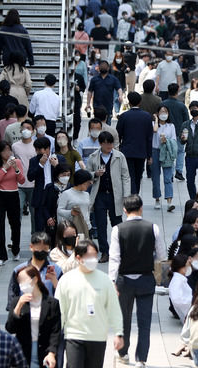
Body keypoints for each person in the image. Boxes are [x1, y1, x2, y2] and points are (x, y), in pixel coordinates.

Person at [56, 240, 124, 368]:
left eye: (95, 255)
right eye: (89, 256)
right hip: (74, 335)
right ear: (78, 258)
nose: (93, 259)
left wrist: (118, 333)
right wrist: (55, 336)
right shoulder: (66, 280)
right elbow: (59, 310)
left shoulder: (105, 280)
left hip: (97, 337)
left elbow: (114, 308)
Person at [109, 195, 167, 368]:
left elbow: (114, 258)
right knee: (145, 321)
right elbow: (162, 255)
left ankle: (123, 353)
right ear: (141, 208)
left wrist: (112, 281)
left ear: (125, 210)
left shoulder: (117, 229)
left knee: (124, 318)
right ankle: (141, 360)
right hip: (145, 279)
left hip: (124, 280)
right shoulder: (153, 228)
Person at [6, 265, 62, 368]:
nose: (21, 284)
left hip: (44, 353)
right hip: (23, 354)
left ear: (35, 279)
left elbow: (55, 331)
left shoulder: (52, 304)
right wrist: (18, 306)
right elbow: (10, 328)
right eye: (19, 281)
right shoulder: (17, 302)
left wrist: (52, 353)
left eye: (23, 280)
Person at [87, 131, 131, 262]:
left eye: (111, 143)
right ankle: (104, 252)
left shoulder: (119, 156)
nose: (109, 146)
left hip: (114, 194)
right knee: (101, 225)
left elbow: (125, 176)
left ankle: (121, 250)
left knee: (117, 224)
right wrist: (95, 174)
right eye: (106, 143)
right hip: (99, 195)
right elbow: (87, 175)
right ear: (101, 143)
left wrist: (126, 196)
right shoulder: (93, 157)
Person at [7, 232, 63, 312]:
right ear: (31, 247)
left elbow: (63, 296)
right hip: (25, 315)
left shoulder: (57, 270)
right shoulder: (20, 270)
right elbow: (12, 298)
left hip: (49, 316)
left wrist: (55, 282)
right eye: (39, 248)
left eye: (45, 249)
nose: (41, 251)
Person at [0, 141, 26, 266]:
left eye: (9, 150)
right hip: (0, 195)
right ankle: (1, 255)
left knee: (15, 224)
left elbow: (22, 180)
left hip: (13, 194)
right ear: (0, 152)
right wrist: (5, 168)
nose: (7, 153)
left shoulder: (17, 162)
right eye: (4, 151)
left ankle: (16, 249)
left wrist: (16, 169)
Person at [27, 137, 67, 238]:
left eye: (40, 149)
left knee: (56, 224)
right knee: (39, 226)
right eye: (36, 149)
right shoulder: (34, 160)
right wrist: (40, 165)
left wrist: (56, 166)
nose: (38, 152)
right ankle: (40, 250)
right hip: (40, 196)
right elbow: (30, 177)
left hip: (55, 194)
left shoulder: (59, 159)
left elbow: (66, 175)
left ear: (48, 149)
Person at [117, 91, 154, 195]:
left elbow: (118, 134)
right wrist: (149, 155)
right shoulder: (147, 116)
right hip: (141, 151)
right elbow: (149, 137)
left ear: (129, 102)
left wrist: (119, 148)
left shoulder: (124, 116)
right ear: (140, 102)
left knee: (129, 175)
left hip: (127, 151)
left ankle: (132, 194)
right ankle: (135, 194)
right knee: (138, 175)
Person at [162, 83, 189, 181]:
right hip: (179, 132)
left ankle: (170, 172)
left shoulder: (163, 104)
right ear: (177, 92)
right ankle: (179, 171)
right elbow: (186, 121)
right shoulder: (181, 105)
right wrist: (185, 135)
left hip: (165, 133)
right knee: (180, 152)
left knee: (169, 152)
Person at [152, 105, 177, 211]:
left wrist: (166, 141)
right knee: (156, 177)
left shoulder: (171, 126)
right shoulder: (153, 124)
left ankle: (169, 201)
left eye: (165, 112)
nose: (164, 114)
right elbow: (154, 131)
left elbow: (174, 140)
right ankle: (157, 199)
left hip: (166, 151)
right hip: (155, 151)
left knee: (168, 177)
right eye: (161, 112)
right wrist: (156, 119)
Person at [12, 119, 37, 224]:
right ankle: (15, 237)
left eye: (28, 128)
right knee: (16, 212)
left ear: (33, 131)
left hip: (34, 184)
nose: (26, 130)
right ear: (20, 130)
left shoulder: (36, 145)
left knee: (34, 213)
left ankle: (35, 237)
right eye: (24, 128)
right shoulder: (15, 146)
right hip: (19, 185)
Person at [57, 169, 94, 235]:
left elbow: (87, 211)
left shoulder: (86, 194)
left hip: (86, 227)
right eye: (88, 182)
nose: (89, 184)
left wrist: (89, 225)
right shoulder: (66, 194)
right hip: (71, 228)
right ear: (81, 181)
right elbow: (59, 210)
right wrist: (70, 212)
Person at [87, 61, 124, 125]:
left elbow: (119, 88)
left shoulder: (113, 79)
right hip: (97, 106)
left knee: (107, 125)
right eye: (101, 66)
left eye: (104, 66)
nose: (103, 67)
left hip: (108, 106)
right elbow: (90, 92)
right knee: (97, 124)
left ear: (108, 68)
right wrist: (88, 104)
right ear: (99, 68)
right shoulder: (94, 79)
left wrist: (120, 96)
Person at [168, 253, 193, 321]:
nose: (190, 267)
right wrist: (194, 303)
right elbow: (177, 300)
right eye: (188, 265)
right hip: (189, 313)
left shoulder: (180, 279)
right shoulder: (177, 281)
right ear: (182, 267)